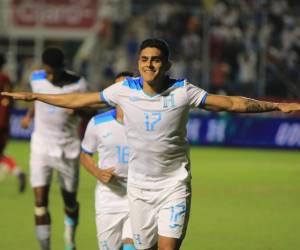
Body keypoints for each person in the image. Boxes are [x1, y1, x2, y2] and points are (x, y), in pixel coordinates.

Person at [2, 38, 300, 250]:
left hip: (174, 185)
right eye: (144, 59)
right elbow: (79, 99)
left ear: (166, 63)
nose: (149, 64)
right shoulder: (123, 90)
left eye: (156, 59)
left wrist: (277, 106)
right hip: (139, 189)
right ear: (138, 63)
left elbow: (232, 103)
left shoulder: (184, 91)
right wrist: (36, 96)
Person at [18, 47, 87, 250]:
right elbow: (36, 98)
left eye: (53, 71)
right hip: (41, 146)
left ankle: (69, 240)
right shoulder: (36, 78)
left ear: (62, 67)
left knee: (70, 201)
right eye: (47, 70)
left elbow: (90, 109)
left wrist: (77, 109)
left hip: (68, 148)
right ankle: (45, 247)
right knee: (40, 200)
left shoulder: (78, 83)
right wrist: (29, 115)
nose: (49, 76)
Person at [80, 72, 135, 250]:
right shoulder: (98, 123)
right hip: (108, 199)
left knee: (131, 246)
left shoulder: (147, 123)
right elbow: (84, 154)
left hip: (139, 197)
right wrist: (97, 172)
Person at [0, 53, 26, 193]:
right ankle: (18, 172)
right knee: (1, 153)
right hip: (5, 122)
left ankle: (17, 172)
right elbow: (9, 99)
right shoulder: (7, 79)